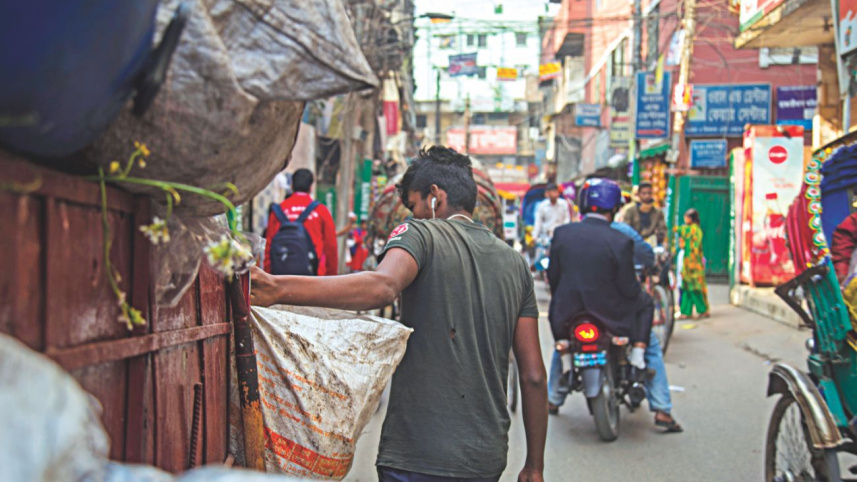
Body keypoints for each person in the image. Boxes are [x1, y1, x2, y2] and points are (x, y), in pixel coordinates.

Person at [251, 146, 548, 482]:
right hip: (484, 459)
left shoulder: (419, 233)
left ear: (435, 196)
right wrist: (534, 466)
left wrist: (277, 288)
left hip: (416, 456)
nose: (413, 214)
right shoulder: (516, 264)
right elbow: (534, 376)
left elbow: (383, 286)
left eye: (414, 205)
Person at [546, 178, 682, 432]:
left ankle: (552, 399)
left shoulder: (562, 235)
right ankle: (661, 406)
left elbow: (553, 277)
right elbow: (629, 288)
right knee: (648, 325)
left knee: (564, 343)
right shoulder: (621, 239)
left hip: (567, 314)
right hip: (612, 317)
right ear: (615, 207)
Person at [264, 168, 338, 276]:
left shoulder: (277, 211)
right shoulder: (321, 211)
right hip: (313, 278)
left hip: (281, 279)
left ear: (292, 185)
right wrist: (331, 277)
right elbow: (331, 248)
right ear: (311, 187)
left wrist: (269, 276)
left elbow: (269, 247)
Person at [677, 208, 708, 319]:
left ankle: (702, 310)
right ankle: (686, 311)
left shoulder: (694, 230)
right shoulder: (691, 229)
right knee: (686, 288)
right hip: (687, 263)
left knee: (695, 288)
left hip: (694, 264)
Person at [618, 181, 667, 246]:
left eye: (649, 193)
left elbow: (662, 230)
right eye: (644, 193)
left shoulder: (658, 212)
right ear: (639, 194)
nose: (647, 196)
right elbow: (626, 229)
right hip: (634, 244)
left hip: (652, 245)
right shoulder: (630, 211)